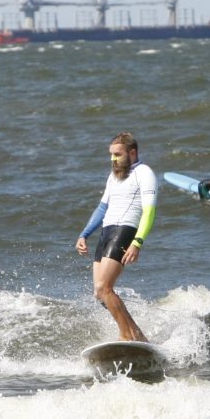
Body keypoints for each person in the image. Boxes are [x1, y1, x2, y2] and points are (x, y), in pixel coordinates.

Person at [76, 132, 157, 342]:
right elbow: (102, 207)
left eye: (118, 154)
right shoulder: (114, 176)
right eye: (111, 155)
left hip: (125, 231)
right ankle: (136, 333)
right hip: (106, 232)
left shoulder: (144, 173)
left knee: (105, 287)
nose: (113, 159)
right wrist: (84, 234)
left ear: (132, 152)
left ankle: (126, 335)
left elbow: (149, 212)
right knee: (99, 292)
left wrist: (138, 242)